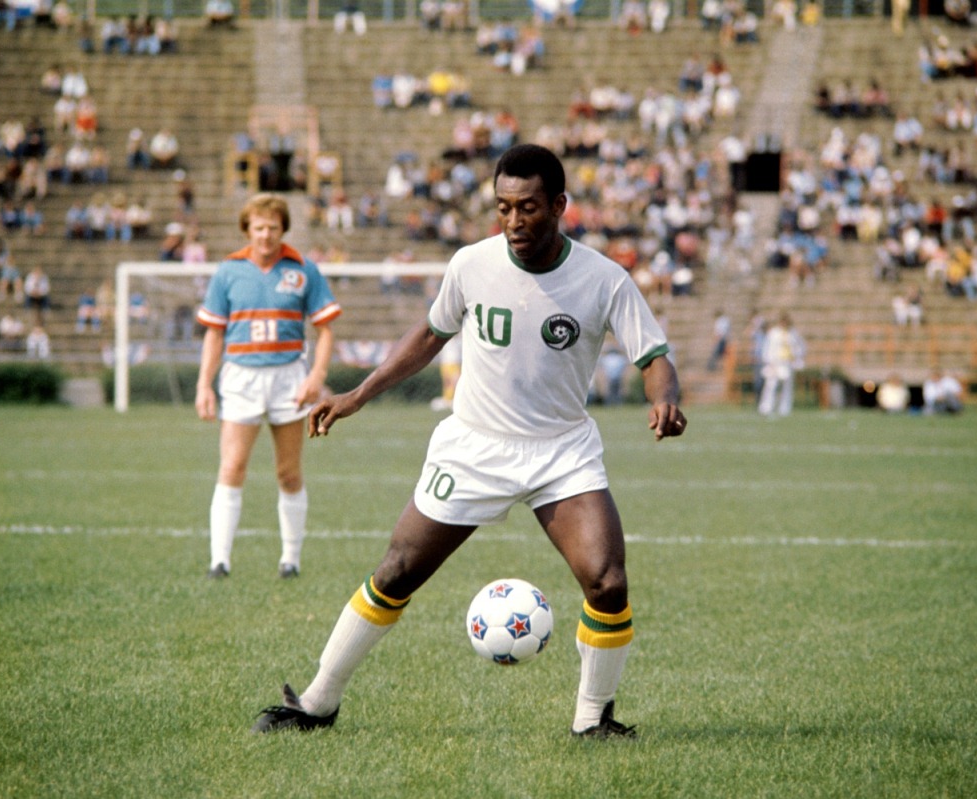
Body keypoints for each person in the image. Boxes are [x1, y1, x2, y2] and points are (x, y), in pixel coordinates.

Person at [250, 144, 686, 738]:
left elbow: (653, 356)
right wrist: (357, 394)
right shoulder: (472, 264)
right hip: (474, 445)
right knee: (398, 570)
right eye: (503, 207)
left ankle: (593, 721)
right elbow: (428, 337)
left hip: (560, 451)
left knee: (607, 581)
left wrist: (665, 396)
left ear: (559, 205)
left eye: (528, 207)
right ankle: (316, 703)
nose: (513, 221)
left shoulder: (604, 279)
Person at [195, 193, 341, 579]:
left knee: (289, 472)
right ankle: (219, 561)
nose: (266, 235)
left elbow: (325, 331)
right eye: (259, 227)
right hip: (240, 376)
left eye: (273, 227)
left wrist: (316, 376)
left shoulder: (303, 269)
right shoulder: (228, 271)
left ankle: (290, 560)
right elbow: (213, 334)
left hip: (288, 379)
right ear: (247, 229)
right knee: (232, 466)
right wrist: (204, 385)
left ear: (283, 229)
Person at [758, 312, 805, 418]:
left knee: (787, 386)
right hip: (775, 362)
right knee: (771, 385)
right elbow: (768, 348)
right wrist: (769, 362)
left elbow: (800, 347)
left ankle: (784, 408)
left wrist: (796, 357)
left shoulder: (793, 333)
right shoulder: (774, 333)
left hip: (787, 363)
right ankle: (766, 407)